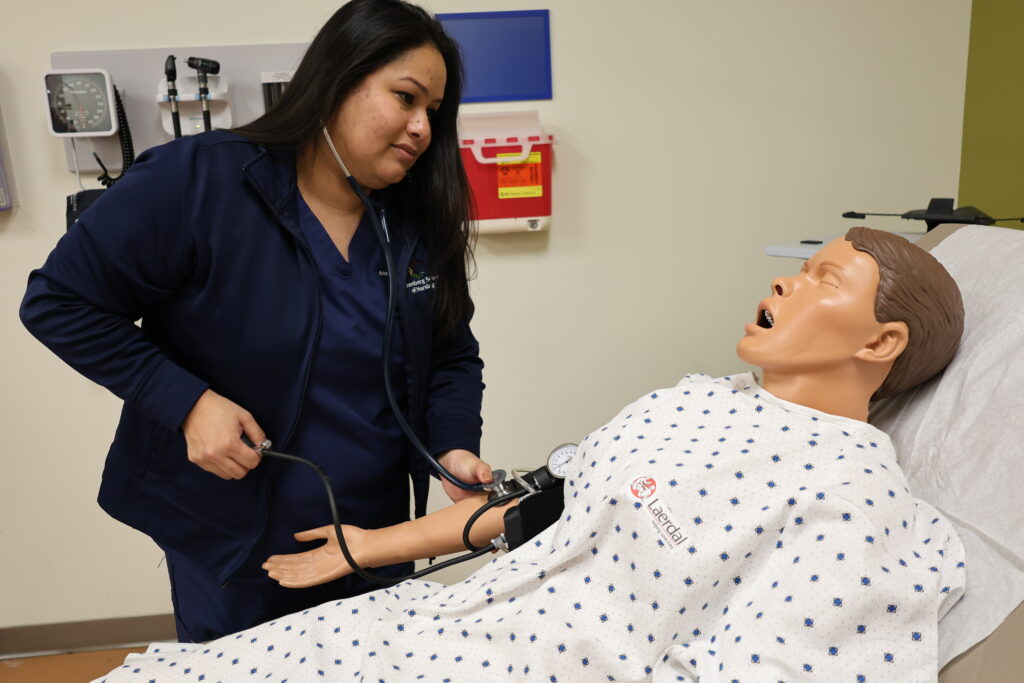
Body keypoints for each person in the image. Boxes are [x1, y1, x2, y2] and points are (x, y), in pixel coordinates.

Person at [95, 228, 967, 681]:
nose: (784, 281)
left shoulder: (851, 493)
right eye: (800, 266)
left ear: (883, 339)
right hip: (465, 622)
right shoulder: (693, 398)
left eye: (824, 278)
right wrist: (371, 545)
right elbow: (545, 508)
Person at [20, 0, 492, 643]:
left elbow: (451, 355)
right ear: (338, 79)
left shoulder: (412, 224)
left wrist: (454, 443)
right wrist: (187, 402)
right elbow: (58, 302)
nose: (420, 129)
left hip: (370, 537)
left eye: (432, 114)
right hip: (232, 537)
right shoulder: (199, 183)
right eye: (405, 98)